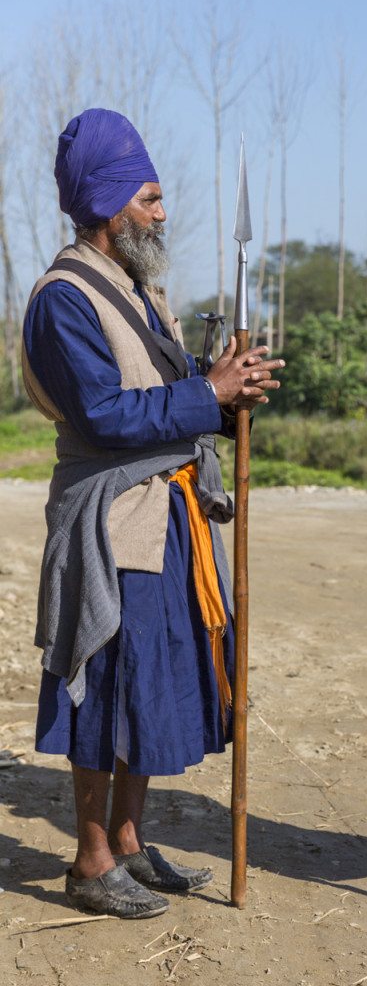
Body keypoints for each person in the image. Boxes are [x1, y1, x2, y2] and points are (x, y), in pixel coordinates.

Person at [22, 108, 284, 919]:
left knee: (151, 681)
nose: (162, 214)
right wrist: (207, 393)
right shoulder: (65, 299)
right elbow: (105, 414)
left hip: (168, 514)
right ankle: (90, 861)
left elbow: (166, 396)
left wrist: (226, 384)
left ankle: (130, 843)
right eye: (149, 198)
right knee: (104, 686)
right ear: (107, 205)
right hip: (111, 519)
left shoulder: (140, 291)